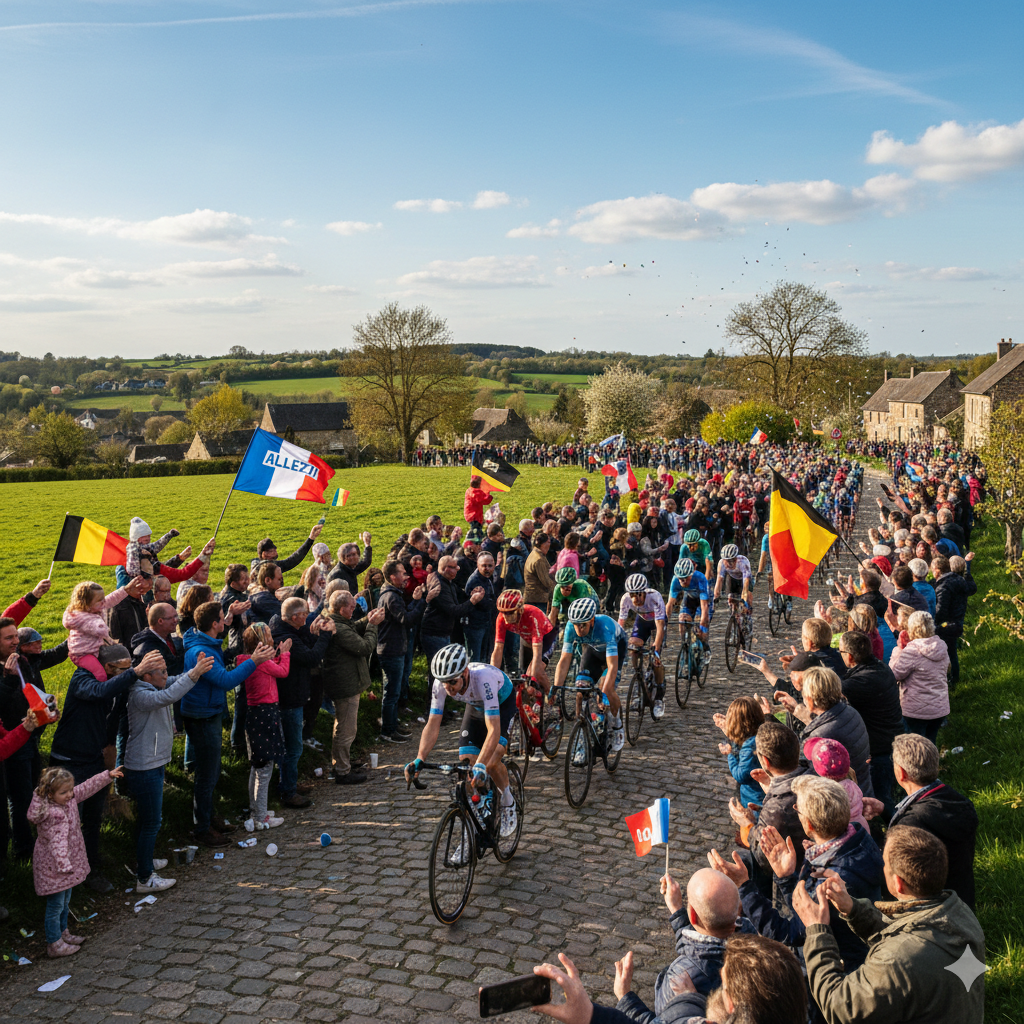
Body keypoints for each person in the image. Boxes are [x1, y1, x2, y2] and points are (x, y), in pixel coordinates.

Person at [798, 826, 985, 1023]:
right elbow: (908, 935)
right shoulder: (959, 913)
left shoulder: (898, 961)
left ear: (898, 883)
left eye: (885, 862)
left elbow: (840, 1006)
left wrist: (816, 930)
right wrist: (853, 909)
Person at [717, 774, 884, 977]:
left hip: (834, 974)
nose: (796, 811)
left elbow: (788, 933)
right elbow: (803, 911)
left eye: (797, 808)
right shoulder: (859, 840)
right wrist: (787, 877)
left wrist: (744, 886)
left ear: (809, 824)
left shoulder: (829, 884)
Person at [48, 643, 164, 892]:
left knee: (92, 819)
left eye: (130, 668)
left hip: (94, 759)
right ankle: (62, 881)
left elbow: (115, 717)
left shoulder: (118, 681)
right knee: (66, 822)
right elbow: (99, 693)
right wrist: (134, 673)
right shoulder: (83, 677)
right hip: (68, 760)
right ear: (109, 667)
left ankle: (90, 870)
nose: (128, 672)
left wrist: (109, 749)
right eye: (124, 669)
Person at [181, 602, 274, 846]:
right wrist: (253, 661)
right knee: (207, 774)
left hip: (208, 711)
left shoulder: (206, 643)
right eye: (223, 618)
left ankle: (210, 818)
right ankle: (202, 828)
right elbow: (226, 681)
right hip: (202, 716)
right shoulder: (202, 651)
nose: (226, 622)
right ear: (214, 624)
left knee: (210, 772)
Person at [405, 644, 518, 839]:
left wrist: (481, 765)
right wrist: (419, 758)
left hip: (501, 702)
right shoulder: (441, 685)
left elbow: (493, 729)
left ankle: (508, 801)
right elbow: (433, 724)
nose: (448, 688)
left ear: (465, 673)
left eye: (452, 682)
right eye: (444, 683)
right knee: (466, 761)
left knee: (491, 762)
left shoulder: (483, 679)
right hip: (475, 706)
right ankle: (470, 835)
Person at [125, 649, 215, 891]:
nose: (167, 675)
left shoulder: (152, 686)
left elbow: (173, 683)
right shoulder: (140, 696)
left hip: (152, 763)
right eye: (162, 672)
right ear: (146, 676)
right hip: (144, 766)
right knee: (152, 822)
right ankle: (144, 878)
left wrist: (192, 672)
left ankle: (144, 861)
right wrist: (194, 675)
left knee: (147, 820)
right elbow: (170, 695)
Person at [29, 764, 122, 958]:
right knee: (55, 905)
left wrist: (107, 775)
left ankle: (63, 933)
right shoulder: (47, 812)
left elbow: (87, 787)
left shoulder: (69, 801)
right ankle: (54, 943)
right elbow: (42, 826)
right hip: (53, 866)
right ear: (49, 793)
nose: (70, 795)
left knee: (65, 901)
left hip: (69, 863)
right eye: (64, 792)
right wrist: (38, 795)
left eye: (70, 790)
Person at [0, 622, 66, 861]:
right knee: (19, 798)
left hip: (29, 736)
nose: (15, 642)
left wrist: (47, 711)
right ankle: (23, 851)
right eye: (8, 638)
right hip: (9, 740)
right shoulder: (5, 670)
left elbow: (33, 693)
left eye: (16, 636)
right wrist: (7, 680)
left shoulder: (22, 662)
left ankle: (37, 841)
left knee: (34, 791)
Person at [889, 733, 978, 908]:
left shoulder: (910, 825)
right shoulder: (958, 801)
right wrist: (885, 812)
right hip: (961, 901)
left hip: (930, 913)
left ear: (901, 773)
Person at [649, 867, 754, 1014]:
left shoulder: (680, 977)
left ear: (692, 915)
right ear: (738, 909)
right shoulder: (757, 939)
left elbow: (665, 1018)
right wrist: (677, 911)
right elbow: (702, 946)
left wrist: (627, 1000)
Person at [271, 596, 334, 807]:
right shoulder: (284, 635)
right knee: (293, 747)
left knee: (291, 746)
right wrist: (324, 636)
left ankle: (289, 783)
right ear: (295, 616)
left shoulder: (291, 630)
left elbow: (306, 645)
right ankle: (287, 791)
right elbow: (310, 658)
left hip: (294, 693)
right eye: (305, 614)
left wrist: (313, 634)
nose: (307, 618)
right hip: (289, 698)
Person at [728, 720, 810, 878]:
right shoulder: (812, 771)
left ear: (764, 760)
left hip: (795, 879)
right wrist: (771, 787)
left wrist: (747, 825)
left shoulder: (777, 808)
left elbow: (763, 858)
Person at [320, 591, 385, 785]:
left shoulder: (337, 621)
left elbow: (352, 627)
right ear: (341, 609)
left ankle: (341, 763)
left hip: (346, 681)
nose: (354, 608)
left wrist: (367, 619)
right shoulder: (338, 628)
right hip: (345, 685)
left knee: (344, 726)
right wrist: (373, 625)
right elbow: (364, 647)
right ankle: (342, 771)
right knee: (346, 730)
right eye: (351, 606)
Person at [837, 630, 902, 817]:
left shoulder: (860, 682)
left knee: (881, 801)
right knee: (884, 796)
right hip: (889, 738)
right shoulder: (879, 667)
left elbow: (832, 687)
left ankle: (902, 830)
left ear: (849, 656)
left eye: (839, 651)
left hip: (879, 749)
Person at [552, 597, 625, 753]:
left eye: (583, 625)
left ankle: (617, 725)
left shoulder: (605, 627)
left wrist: (604, 692)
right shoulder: (571, 628)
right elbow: (564, 659)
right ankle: (581, 731)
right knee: (580, 691)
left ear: (592, 620)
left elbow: (611, 666)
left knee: (607, 690)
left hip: (614, 651)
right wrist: (556, 686)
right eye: (576, 625)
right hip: (593, 651)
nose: (579, 629)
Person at [237, 622, 290, 828]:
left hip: (254, 714)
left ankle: (256, 810)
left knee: (256, 765)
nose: (272, 638)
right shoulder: (260, 662)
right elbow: (282, 671)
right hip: (266, 713)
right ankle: (261, 817)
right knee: (265, 768)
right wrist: (284, 654)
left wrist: (276, 653)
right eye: (268, 635)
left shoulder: (248, 660)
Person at [62, 577, 148, 681]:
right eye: (99, 600)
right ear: (86, 603)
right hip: (82, 654)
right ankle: (100, 690)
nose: (103, 602)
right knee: (101, 675)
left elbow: (111, 599)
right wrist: (104, 630)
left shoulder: (95, 608)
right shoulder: (81, 617)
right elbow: (98, 628)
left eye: (103, 598)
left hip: (94, 648)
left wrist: (125, 590)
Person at [376, 560, 425, 742]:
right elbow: (407, 619)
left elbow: (403, 616)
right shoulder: (392, 597)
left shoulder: (393, 595)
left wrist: (415, 600)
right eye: (403, 573)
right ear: (392, 577)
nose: (406, 577)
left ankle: (392, 727)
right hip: (391, 650)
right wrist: (420, 603)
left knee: (394, 692)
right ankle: (388, 732)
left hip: (394, 648)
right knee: (391, 693)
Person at [420, 555, 485, 682]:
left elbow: (459, 597)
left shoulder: (447, 581)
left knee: (440, 669)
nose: (458, 570)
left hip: (441, 632)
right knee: (438, 671)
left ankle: (440, 697)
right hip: (434, 633)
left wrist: (470, 595)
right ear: (445, 569)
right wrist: (472, 601)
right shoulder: (439, 586)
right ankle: (434, 699)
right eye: (454, 568)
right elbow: (453, 611)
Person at [888, 611, 950, 742]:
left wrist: (898, 650)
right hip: (939, 707)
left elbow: (893, 675)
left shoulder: (912, 651)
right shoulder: (941, 647)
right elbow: (947, 668)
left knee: (916, 746)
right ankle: (933, 761)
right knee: (931, 742)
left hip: (915, 711)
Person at [617, 574, 667, 718]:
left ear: (644, 592)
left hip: (658, 623)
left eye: (638, 595)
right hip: (643, 622)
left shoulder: (654, 597)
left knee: (656, 659)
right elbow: (620, 626)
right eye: (632, 595)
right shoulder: (625, 600)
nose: (635, 599)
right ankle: (639, 676)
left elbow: (659, 627)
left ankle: (659, 697)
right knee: (632, 647)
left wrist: (656, 649)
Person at [491, 589, 557, 692]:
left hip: (546, 639)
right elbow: (498, 649)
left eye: (510, 612)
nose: (506, 616)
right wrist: (492, 675)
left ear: (520, 609)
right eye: (503, 612)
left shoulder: (533, 615)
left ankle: (551, 696)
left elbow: (537, 654)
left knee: (536, 673)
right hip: (527, 639)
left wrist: (533, 679)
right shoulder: (501, 619)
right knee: (522, 677)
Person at [712, 697, 765, 812]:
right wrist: (728, 730)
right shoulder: (762, 733)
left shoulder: (750, 746)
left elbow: (741, 775)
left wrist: (730, 753)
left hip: (755, 800)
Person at [932, 553, 976, 687]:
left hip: (947, 623)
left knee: (948, 651)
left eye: (933, 569)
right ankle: (954, 676)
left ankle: (951, 679)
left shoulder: (943, 587)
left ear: (938, 571)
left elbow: (941, 610)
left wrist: (934, 622)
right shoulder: (960, 580)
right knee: (952, 651)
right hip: (958, 619)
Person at [464, 552, 499, 662]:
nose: (487, 568)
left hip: (485, 623)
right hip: (475, 625)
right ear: (478, 565)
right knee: (475, 659)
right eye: (484, 566)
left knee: (484, 656)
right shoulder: (475, 580)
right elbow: (484, 604)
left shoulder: (487, 578)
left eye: (490, 566)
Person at [250, 524, 323, 576]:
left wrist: (311, 538)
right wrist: (310, 539)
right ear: (264, 554)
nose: (276, 552)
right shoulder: (266, 568)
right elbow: (292, 561)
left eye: (275, 549)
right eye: (272, 551)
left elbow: (292, 560)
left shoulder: (264, 565)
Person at [524, 533, 555, 613]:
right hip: (537, 600)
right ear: (543, 544)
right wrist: (558, 590)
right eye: (548, 542)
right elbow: (547, 581)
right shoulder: (539, 559)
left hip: (533, 598)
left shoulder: (534, 554)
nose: (549, 544)